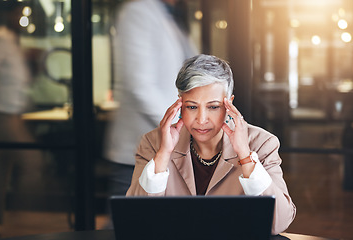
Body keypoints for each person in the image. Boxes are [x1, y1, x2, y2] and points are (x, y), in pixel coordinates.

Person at [126, 54, 296, 235]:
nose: (201, 120)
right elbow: (136, 222)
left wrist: (245, 156)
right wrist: (163, 154)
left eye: (213, 107)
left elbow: (278, 223)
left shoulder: (262, 144)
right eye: (192, 107)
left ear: (229, 104)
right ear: (180, 104)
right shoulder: (153, 144)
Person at [104, 0, 197, 198]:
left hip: (172, 153)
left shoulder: (173, 17)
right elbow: (141, 86)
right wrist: (184, 128)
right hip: (141, 152)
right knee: (131, 223)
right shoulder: (138, 13)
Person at [0, 1, 40, 239]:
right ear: (8, 13)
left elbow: (18, 81)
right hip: (2, 116)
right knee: (33, 162)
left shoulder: (11, 41)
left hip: (9, 114)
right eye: (18, 13)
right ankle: (26, 218)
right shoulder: (1, 39)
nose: (20, 17)